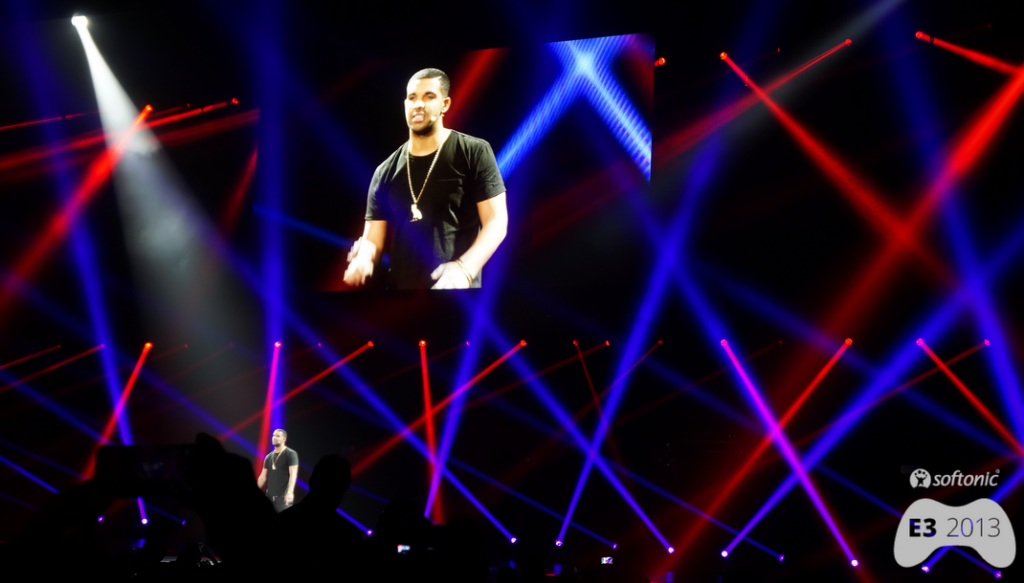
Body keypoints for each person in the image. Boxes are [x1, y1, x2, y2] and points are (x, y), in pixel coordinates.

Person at [344, 67, 508, 290]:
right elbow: (373, 238)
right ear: (405, 105)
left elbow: (496, 221)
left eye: (429, 96)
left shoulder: (474, 151)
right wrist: (364, 258)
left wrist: (464, 268)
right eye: (412, 98)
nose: (418, 104)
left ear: (445, 104)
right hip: (402, 294)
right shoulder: (384, 171)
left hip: (457, 293)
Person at [256, 428, 298, 512]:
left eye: (278, 436)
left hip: (283, 500)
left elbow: (293, 474)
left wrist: (290, 492)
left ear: (284, 439)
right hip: (269, 499)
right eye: (273, 435)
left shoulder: (290, 454)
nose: (274, 437)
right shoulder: (268, 457)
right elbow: (262, 477)